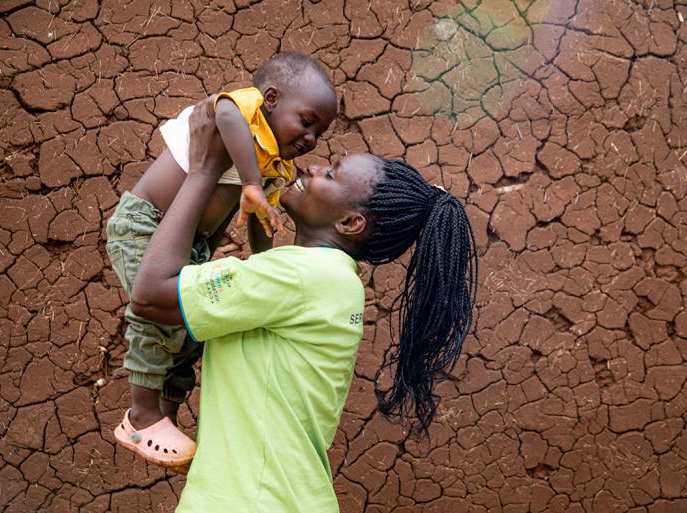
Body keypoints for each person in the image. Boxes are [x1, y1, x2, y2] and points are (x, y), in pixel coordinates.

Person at [127, 99, 478, 511]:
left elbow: (149, 293)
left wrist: (204, 170)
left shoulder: (299, 276)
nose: (312, 167)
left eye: (330, 175)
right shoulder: (332, 282)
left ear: (349, 223)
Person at [106, 51, 337, 468]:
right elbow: (225, 111)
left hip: (190, 246)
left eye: (319, 132)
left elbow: (258, 219)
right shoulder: (242, 111)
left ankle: (168, 411)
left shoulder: (275, 164)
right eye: (306, 121)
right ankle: (140, 415)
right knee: (155, 316)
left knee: (195, 328)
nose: (311, 140)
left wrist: (267, 260)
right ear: (270, 98)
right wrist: (250, 181)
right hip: (144, 225)